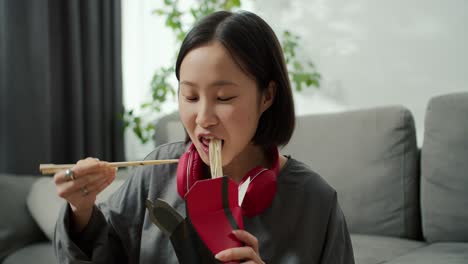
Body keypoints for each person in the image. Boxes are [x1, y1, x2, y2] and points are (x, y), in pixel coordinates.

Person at [53, 10, 355, 264]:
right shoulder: (156, 174)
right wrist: (81, 210)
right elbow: (102, 251)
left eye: (224, 97)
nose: (203, 118)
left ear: (267, 96)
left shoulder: (316, 201)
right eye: (190, 96)